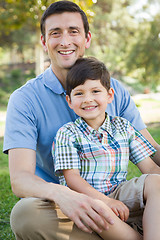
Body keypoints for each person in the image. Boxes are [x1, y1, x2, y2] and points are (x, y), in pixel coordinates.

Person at [2, 1, 160, 239]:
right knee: (25, 214)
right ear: (44, 42)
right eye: (55, 33)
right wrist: (65, 195)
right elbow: (21, 179)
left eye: (73, 31)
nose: (65, 41)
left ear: (86, 38)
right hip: (65, 206)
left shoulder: (112, 89)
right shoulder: (25, 99)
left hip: (120, 202)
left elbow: (151, 154)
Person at [54, 57, 160, 240]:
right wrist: (106, 201)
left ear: (110, 95)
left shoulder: (123, 127)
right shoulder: (67, 133)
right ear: (69, 100)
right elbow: (72, 179)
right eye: (79, 94)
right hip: (87, 200)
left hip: (120, 193)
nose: (88, 99)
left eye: (95, 91)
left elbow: (150, 168)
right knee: (106, 215)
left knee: (156, 182)